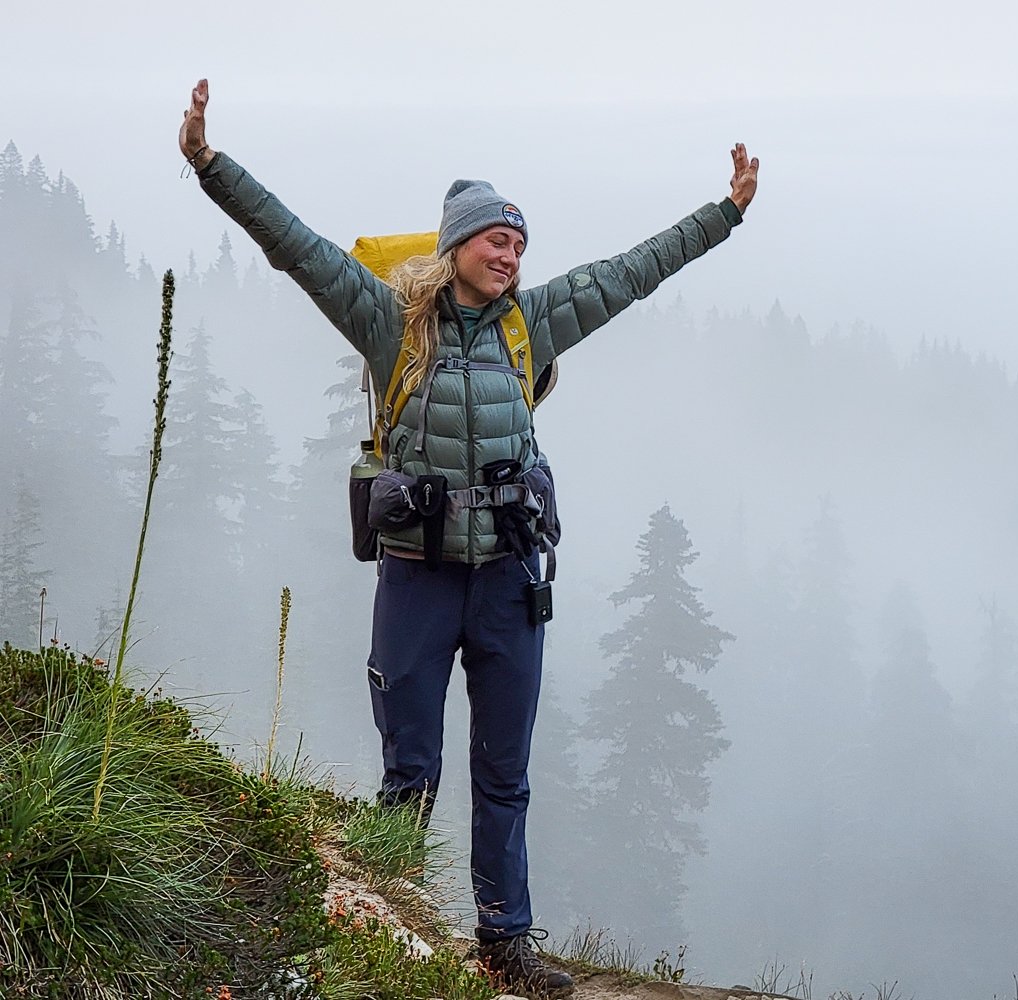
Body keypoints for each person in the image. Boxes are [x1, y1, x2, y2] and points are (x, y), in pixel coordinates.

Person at [178, 77, 758, 994]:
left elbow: (635, 270)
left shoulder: (538, 322)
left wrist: (722, 214)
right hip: (417, 575)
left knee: (504, 770)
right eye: (497, 238)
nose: (513, 254)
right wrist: (211, 166)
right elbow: (296, 248)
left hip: (507, 582)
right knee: (410, 764)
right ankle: (392, 928)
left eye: (520, 242)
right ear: (456, 249)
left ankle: (504, 939)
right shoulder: (390, 324)